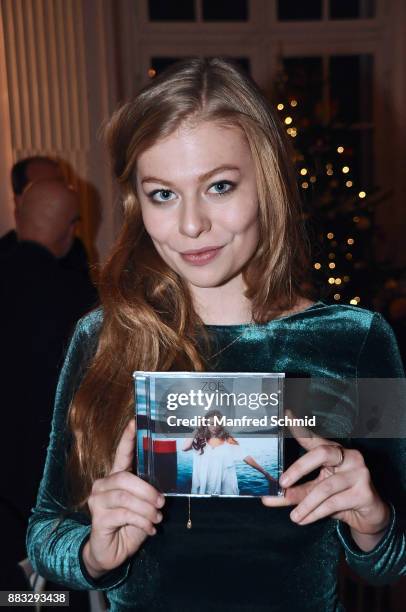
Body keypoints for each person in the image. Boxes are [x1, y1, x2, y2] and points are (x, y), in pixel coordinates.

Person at [26, 57, 405, 611]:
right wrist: (93, 553)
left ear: (267, 181)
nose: (190, 225)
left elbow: (391, 560)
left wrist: (373, 523)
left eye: (219, 186)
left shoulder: (349, 341)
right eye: (163, 194)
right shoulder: (106, 337)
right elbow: (44, 531)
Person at [0, 155, 91, 275]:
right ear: (19, 201)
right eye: (44, 186)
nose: (60, 194)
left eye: (61, 184)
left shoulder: (76, 250)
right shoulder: (4, 256)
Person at [183, 410, 277, 495]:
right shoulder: (200, 441)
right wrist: (197, 428)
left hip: (224, 490)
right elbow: (184, 447)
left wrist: (266, 474)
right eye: (211, 423)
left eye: (217, 423)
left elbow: (246, 458)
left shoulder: (228, 440)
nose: (215, 427)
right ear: (206, 424)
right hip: (203, 489)